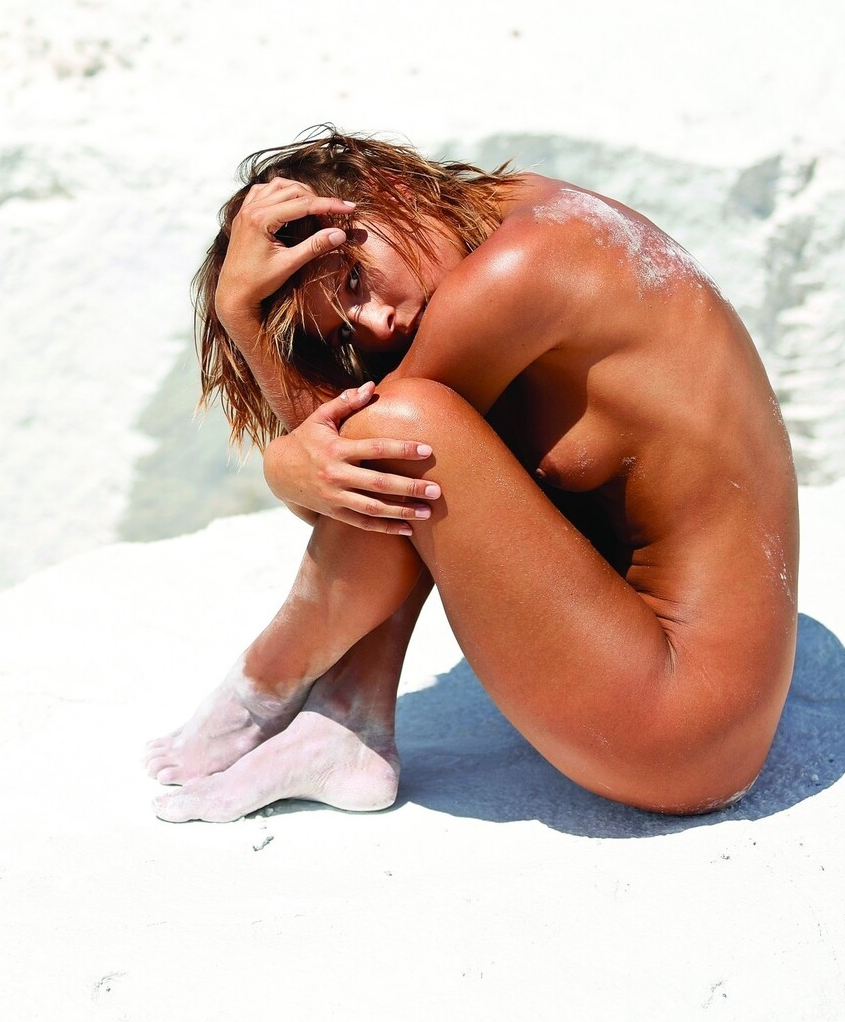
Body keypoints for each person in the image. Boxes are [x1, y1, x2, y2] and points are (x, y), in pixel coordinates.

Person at [143, 127, 799, 823]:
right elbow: (358, 495)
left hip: (684, 729)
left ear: (390, 189)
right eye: (346, 331)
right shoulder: (505, 217)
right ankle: (349, 713)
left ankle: (260, 694)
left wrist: (244, 323)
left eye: (355, 281)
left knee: (406, 431)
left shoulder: (520, 267)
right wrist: (293, 418)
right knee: (413, 437)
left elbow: (355, 470)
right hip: (661, 681)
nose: (377, 324)